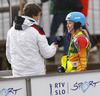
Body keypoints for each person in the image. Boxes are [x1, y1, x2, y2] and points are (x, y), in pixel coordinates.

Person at [6, 2, 58, 77]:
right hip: (36, 73)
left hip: (18, 73)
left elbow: (9, 54)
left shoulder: (11, 30)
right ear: (34, 15)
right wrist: (53, 47)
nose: (39, 18)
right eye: (39, 15)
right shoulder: (37, 30)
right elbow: (46, 53)